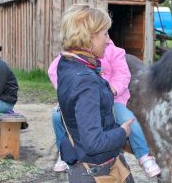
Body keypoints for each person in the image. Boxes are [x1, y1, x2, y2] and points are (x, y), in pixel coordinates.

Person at [49, 39, 161, 177]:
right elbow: (53, 72)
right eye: (103, 33)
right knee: (56, 116)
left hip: (113, 99)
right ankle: (63, 152)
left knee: (129, 120)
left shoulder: (115, 52)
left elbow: (123, 74)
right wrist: (66, 94)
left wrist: (113, 89)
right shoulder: (72, 55)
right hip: (84, 99)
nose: (106, 36)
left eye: (107, 32)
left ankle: (143, 155)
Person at [56, 4, 134, 182]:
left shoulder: (67, 64)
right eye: (105, 34)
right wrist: (123, 132)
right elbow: (93, 143)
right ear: (89, 37)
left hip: (85, 166)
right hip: (97, 172)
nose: (108, 40)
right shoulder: (85, 80)